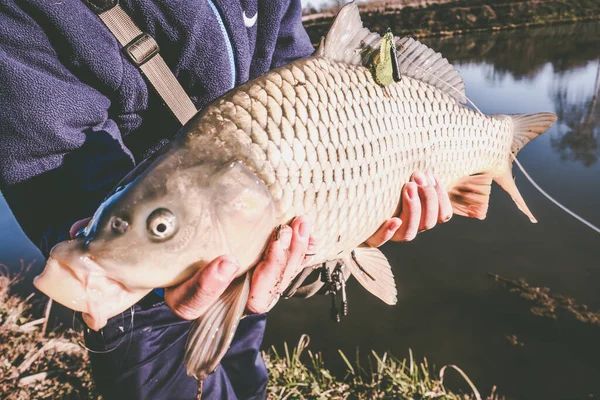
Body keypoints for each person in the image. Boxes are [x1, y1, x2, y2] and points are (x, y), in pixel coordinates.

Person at [0, 1, 452, 398]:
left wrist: (364, 203)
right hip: (142, 293)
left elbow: (290, 64)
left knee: (247, 369)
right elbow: (47, 151)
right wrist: (88, 222)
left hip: (249, 249)